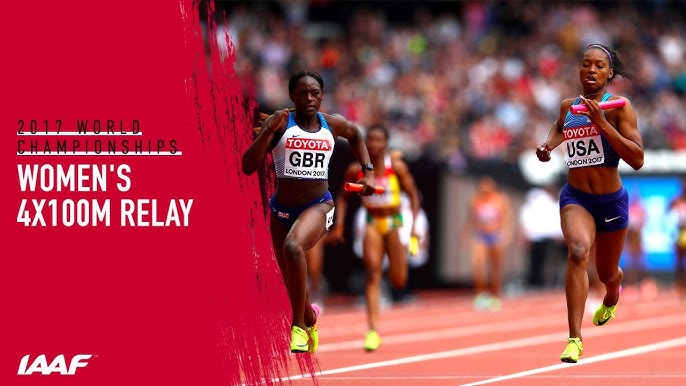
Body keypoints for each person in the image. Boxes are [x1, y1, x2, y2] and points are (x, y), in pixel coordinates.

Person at [241, 69, 376, 354]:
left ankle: (298, 328)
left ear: (322, 95)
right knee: (290, 279)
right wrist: (268, 128)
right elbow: (248, 166)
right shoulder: (281, 124)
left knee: (294, 247)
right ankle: (311, 318)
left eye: (315, 92)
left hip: (318, 206)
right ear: (292, 96)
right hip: (280, 211)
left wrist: (369, 173)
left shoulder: (332, 124)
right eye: (302, 93)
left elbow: (355, 134)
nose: (309, 98)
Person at [536, 44, 644, 363]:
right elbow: (559, 127)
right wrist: (548, 145)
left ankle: (613, 291)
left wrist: (603, 124)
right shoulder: (568, 106)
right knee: (579, 252)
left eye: (599, 66)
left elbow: (637, 159)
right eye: (586, 64)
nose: (591, 70)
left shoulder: (621, 107)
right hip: (576, 197)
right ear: (579, 70)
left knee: (606, 272)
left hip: (611, 202)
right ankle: (574, 338)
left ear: (609, 73)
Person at [327, 124, 421, 351]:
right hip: (371, 221)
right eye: (371, 139)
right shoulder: (355, 170)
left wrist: (415, 227)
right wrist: (338, 224)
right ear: (365, 143)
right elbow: (341, 196)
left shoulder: (396, 166)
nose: (375, 144)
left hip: (394, 221)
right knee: (372, 275)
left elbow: (413, 195)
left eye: (379, 139)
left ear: (386, 143)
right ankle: (372, 331)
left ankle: (394, 284)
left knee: (399, 279)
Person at [463, 176, 514, 311]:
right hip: (480, 235)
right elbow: (470, 220)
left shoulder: (500, 200)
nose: (484, 189)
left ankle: (495, 295)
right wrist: (466, 235)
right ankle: (480, 294)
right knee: (477, 265)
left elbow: (507, 217)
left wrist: (506, 233)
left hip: (495, 234)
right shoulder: (475, 201)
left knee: (496, 267)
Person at [668, 182, 686, 300]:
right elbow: (669, 211)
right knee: (679, 262)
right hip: (680, 233)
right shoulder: (677, 201)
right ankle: (680, 284)